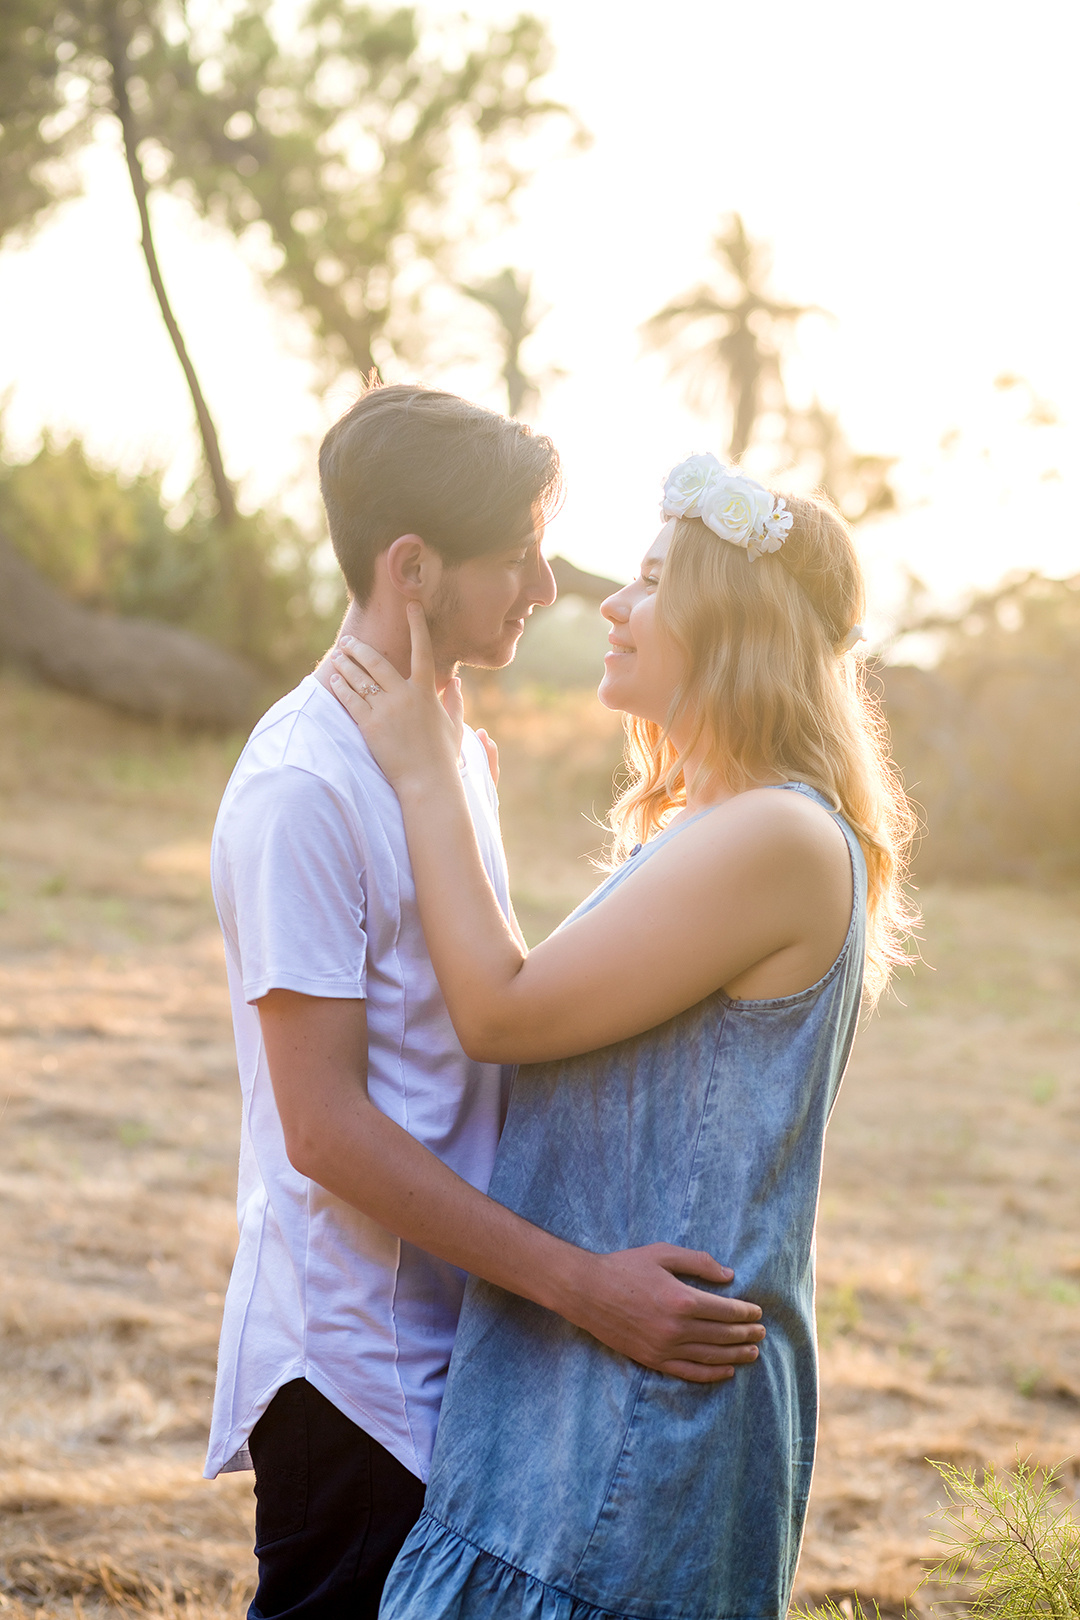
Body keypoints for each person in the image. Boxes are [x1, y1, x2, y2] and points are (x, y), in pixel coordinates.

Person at [327, 453, 917, 1620]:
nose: (610, 601)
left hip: (637, 1415)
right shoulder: (731, 826)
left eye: (651, 580)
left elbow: (499, 1012)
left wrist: (429, 775)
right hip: (581, 1380)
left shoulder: (777, 840)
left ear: (731, 621)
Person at [204, 397, 767, 1620]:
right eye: (517, 550)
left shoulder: (448, 745)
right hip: (357, 1376)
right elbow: (323, 1129)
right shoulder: (302, 787)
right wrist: (583, 1286)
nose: (548, 582)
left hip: (464, 1348)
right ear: (413, 570)